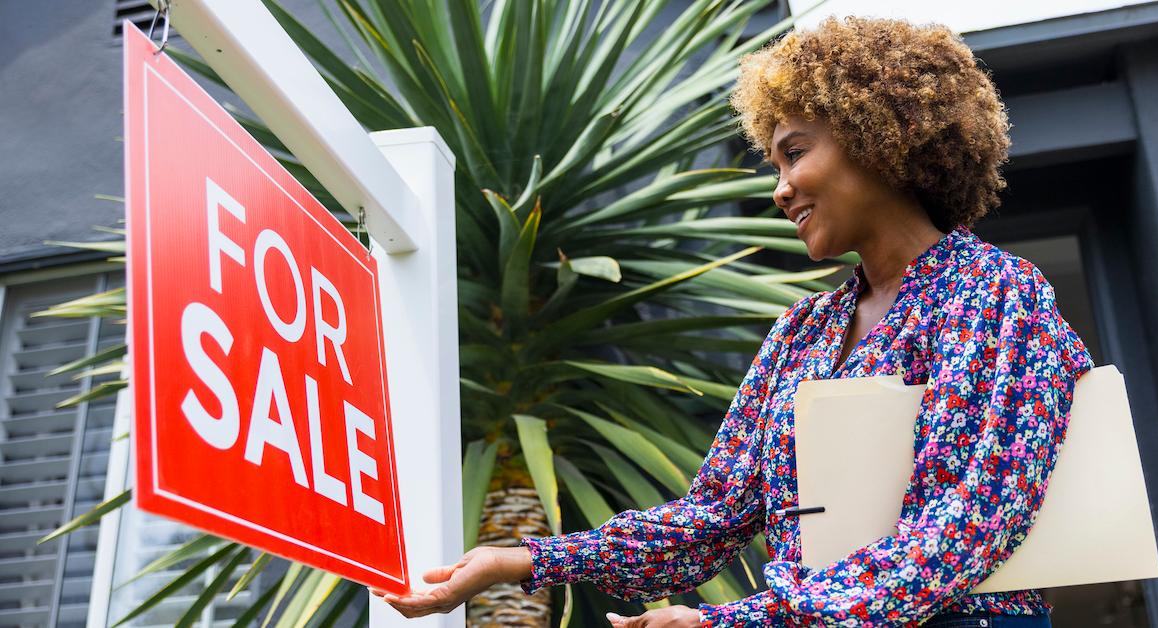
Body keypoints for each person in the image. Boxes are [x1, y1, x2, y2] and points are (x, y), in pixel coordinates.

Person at [371, 16, 1093, 627]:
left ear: (884, 136)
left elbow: (966, 525)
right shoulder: (801, 333)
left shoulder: (997, 295)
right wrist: (527, 559)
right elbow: (711, 518)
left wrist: (739, 620)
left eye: (795, 153)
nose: (780, 189)